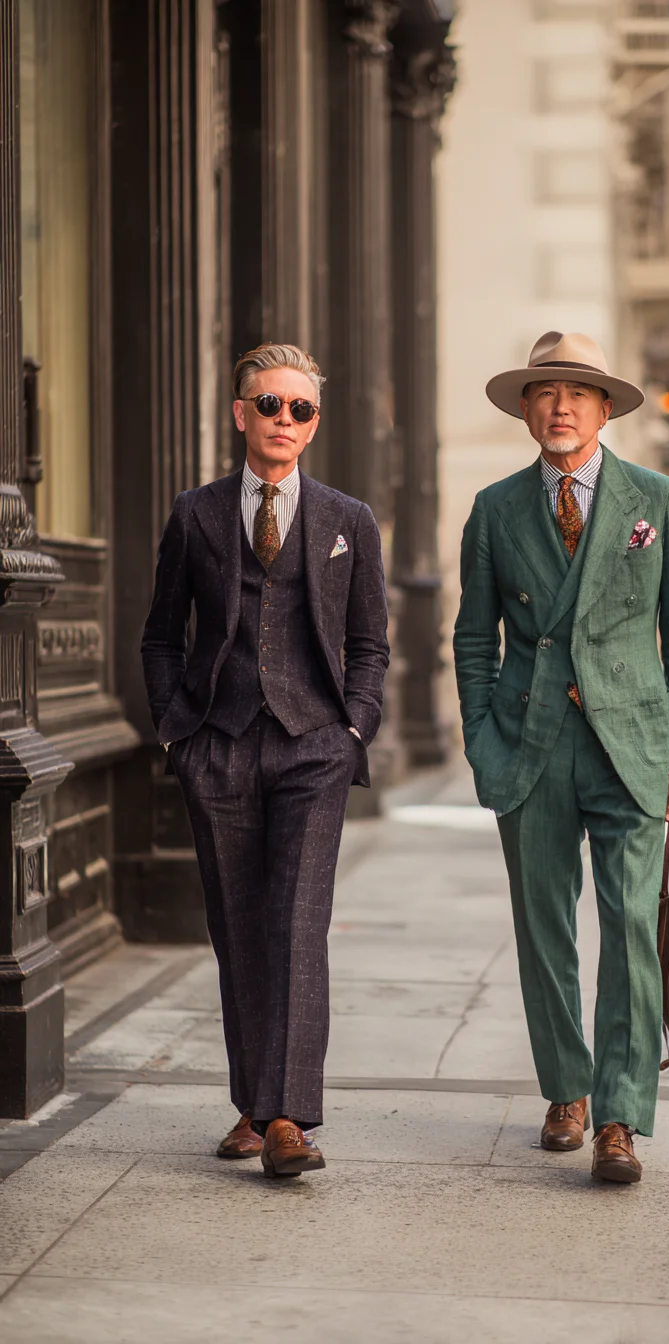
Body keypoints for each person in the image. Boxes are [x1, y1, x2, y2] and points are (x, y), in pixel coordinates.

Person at [454, 332, 669, 1185]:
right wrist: (480, 741)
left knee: (632, 929)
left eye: (578, 392)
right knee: (543, 928)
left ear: (606, 409)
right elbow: (471, 639)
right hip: (530, 748)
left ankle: (621, 1114)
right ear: (526, 409)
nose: (560, 406)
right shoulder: (494, 509)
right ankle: (566, 1088)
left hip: (631, 745)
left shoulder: (657, 499)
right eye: (544, 391)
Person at [141, 343, 389, 1178]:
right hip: (218, 744)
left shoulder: (348, 519)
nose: (287, 419)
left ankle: (287, 1118)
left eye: (302, 409)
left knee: (295, 926)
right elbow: (159, 635)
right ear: (241, 413)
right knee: (237, 931)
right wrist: (178, 733)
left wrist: (353, 727)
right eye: (271, 405)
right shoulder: (197, 514)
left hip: (313, 747)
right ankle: (252, 1105)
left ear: (316, 423)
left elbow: (370, 645)